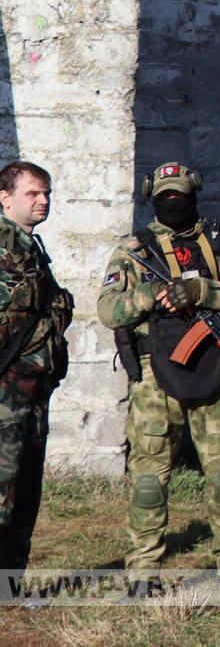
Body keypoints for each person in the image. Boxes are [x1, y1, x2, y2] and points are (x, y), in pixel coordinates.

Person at [97, 163, 220, 570]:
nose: (173, 202)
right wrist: (150, 295)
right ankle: (143, 568)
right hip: (155, 377)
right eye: (165, 196)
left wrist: (202, 290)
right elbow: (108, 310)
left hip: (214, 370)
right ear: (153, 198)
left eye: (180, 195)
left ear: (194, 195)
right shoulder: (133, 252)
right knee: (150, 481)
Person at [0, 161, 72, 571]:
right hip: (5, 391)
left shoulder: (32, 250)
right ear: (5, 198)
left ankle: (11, 586)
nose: (43, 200)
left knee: (26, 492)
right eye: (33, 193)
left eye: (47, 193)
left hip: (33, 393)